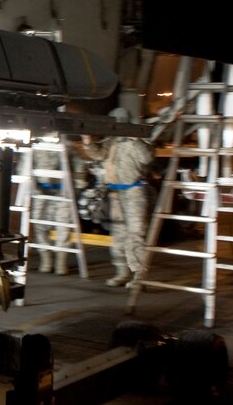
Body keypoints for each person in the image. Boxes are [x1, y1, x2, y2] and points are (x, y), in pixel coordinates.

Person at [81, 108, 154, 287]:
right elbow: (97, 153)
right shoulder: (112, 141)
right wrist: (88, 141)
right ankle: (122, 272)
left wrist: (135, 139)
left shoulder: (137, 141)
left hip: (134, 192)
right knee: (119, 235)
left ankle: (138, 276)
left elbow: (147, 158)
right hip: (115, 194)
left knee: (135, 234)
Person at [31, 133, 85, 275]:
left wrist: (78, 188)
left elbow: (79, 166)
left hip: (63, 192)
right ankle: (46, 260)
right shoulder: (35, 146)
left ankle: (61, 262)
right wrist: (31, 186)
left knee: (63, 226)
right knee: (39, 224)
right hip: (41, 192)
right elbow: (25, 167)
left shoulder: (68, 147)